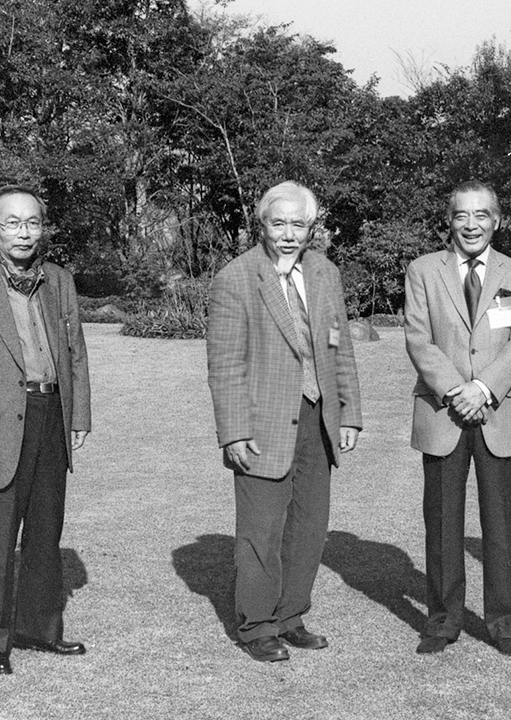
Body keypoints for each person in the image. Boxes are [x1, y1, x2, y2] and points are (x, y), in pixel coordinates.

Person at [206, 181, 362, 662]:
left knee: (309, 526)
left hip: (318, 419)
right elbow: (225, 364)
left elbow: (338, 344)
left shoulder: (325, 273)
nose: (289, 234)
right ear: (262, 225)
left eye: (299, 224)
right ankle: (257, 626)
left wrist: (348, 412)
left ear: (312, 228)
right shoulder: (236, 278)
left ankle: (291, 616)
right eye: (279, 223)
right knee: (261, 530)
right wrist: (234, 432)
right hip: (262, 424)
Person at [0, 185, 92, 675]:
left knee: (45, 532)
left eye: (32, 222)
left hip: (51, 417)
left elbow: (75, 354)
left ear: (42, 228)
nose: (23, 233)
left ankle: (39, 628)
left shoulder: (59, 281)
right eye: (12, 223)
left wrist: (79, 416)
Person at [404, 180, 511, 657]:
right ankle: (442, 620)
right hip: (443, 412)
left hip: (499, 412)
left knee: (501, 525)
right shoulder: (423, 271)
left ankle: (505, 623)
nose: (472, 224)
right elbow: (418, 337)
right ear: (449, 220)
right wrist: (457, 391)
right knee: (442, 523)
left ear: (496, 220)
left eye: (482, 215)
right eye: (462, 215)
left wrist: (482, 390)